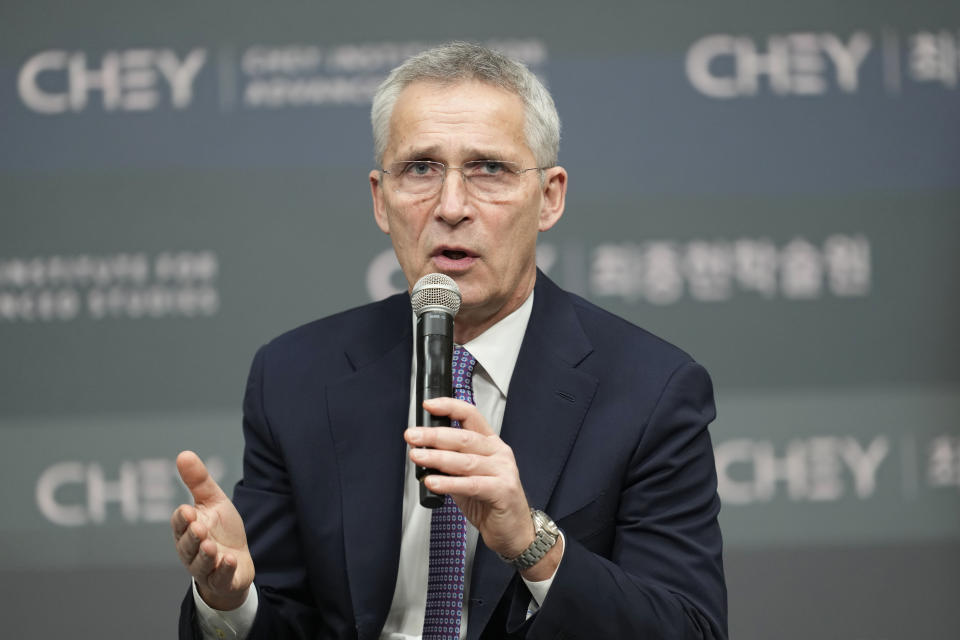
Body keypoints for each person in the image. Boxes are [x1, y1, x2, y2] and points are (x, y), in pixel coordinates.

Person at [171, 42, 726, 639]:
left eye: (489, 169)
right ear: (381, 200)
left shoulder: (650, 389)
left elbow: (690, 629)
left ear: (550, 197)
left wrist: (531, 542)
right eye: (420, 169)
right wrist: (230, 600)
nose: (452, 206)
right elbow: (285, 617)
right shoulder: (295, 376)